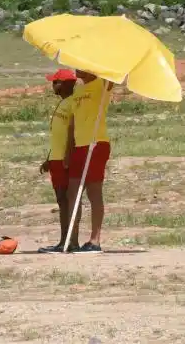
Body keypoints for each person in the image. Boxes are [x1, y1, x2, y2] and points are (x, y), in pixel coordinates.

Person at [64, 69, 114, 254]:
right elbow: (73, 122)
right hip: (79, 146)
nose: (77, 69)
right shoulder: (78, 90)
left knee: (94, 192)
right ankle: (72, 240)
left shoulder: (102, 84)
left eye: (81, 65)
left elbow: (115, 72)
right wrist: (69, 150)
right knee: (73, 192)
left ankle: (95, 240)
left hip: (96, 144)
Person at [38, 68, 78, 253]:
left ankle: (67, 241)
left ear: (66, 84)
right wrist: (48, 159)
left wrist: (67, 156)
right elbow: (58, 135)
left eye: (56, 82)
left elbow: (72, 133)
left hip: (64, 159)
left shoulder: (73, 103)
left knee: (65, 200)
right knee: (61, 200)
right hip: (55, 158)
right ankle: (65, 240)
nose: (53, 85)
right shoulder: (63, 103)